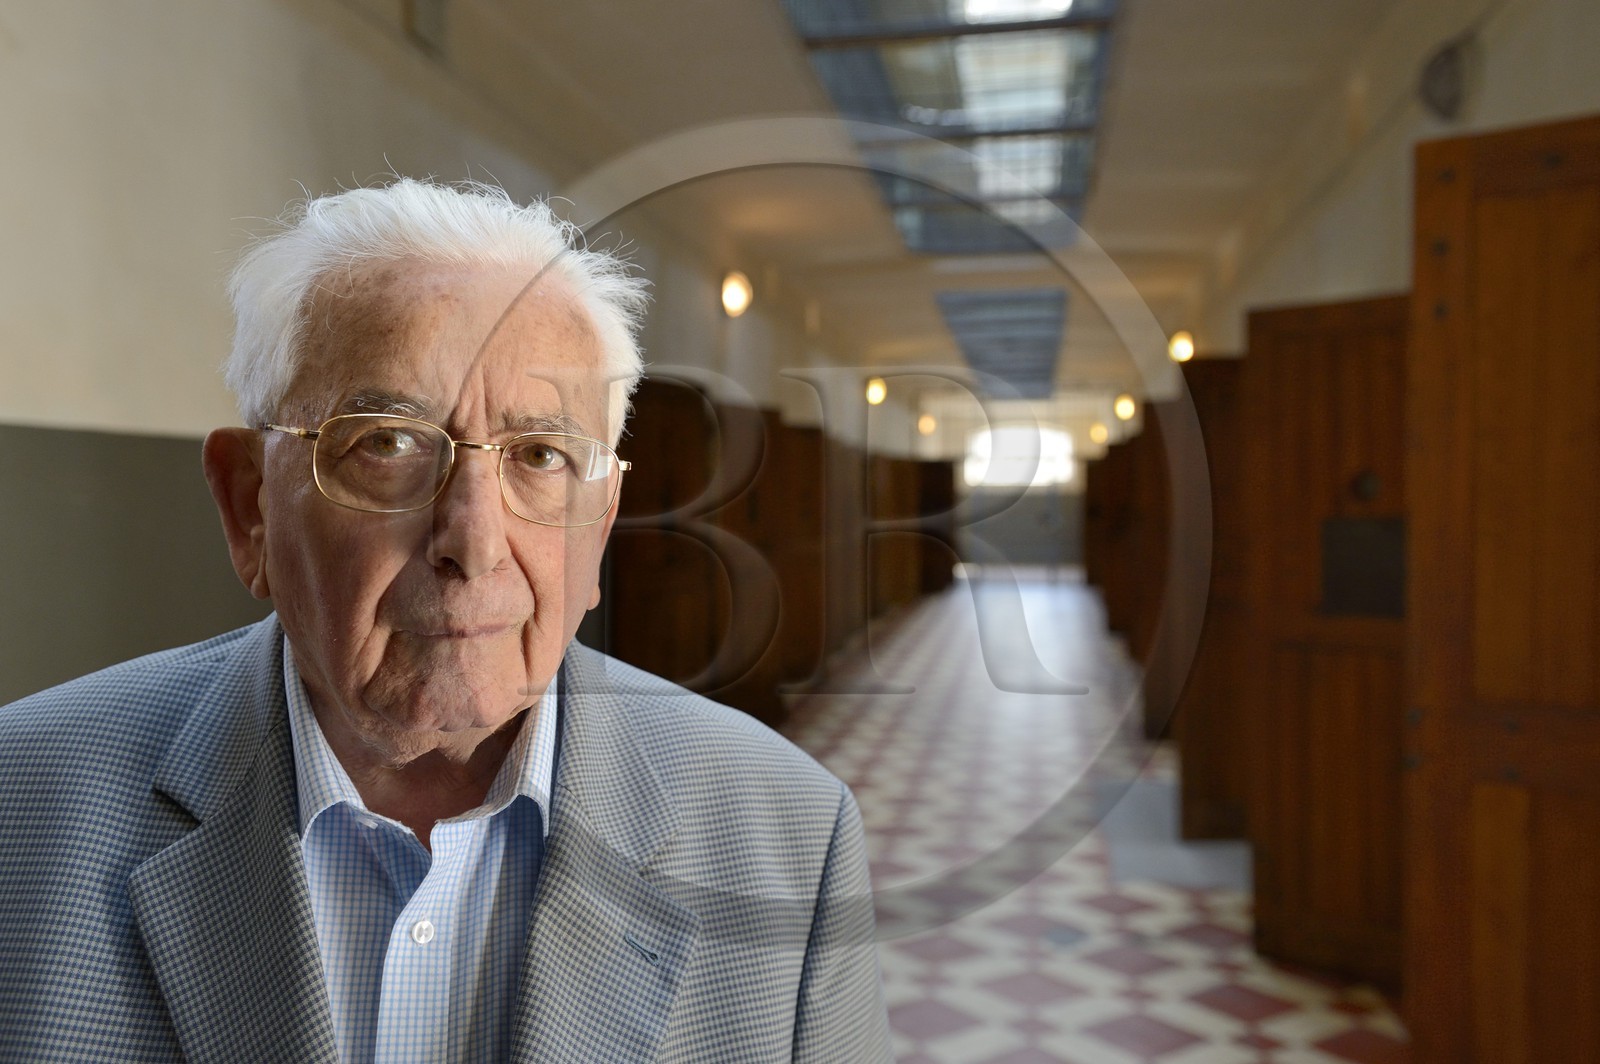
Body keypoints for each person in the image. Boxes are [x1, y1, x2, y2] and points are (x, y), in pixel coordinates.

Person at [0, 179, 891, 1062]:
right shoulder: (23, 804)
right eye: (386, 443)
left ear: (602, 522)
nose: (475, 540)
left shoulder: (787, 836)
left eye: (540, 455)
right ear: (251, 509)